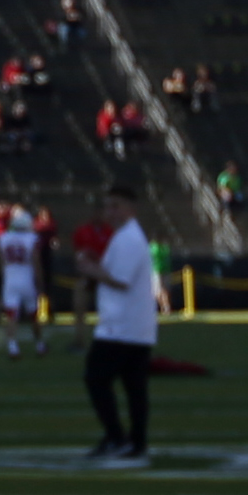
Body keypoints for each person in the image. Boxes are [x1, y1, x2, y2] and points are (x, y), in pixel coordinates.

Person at [81, 180, 157, 463]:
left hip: (120, 327)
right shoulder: (128, 236)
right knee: (134, 388)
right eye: (107, 206)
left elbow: (120, 280)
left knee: (96, 379)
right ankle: (136, 441)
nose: (109, 212)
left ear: (130, 208)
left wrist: (90, 269)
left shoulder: (128, 238)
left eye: (115, 206)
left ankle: (117, 436)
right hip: (134, 326)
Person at [0, 203, 42, 356]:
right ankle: (39, 345)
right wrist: (40, 281)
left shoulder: (4, 238)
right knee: (33, 315)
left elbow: (0, 262)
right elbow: (36, 262)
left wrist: (5, 275)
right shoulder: (31, 239)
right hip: (27, 278)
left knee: (11, 315)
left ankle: (13, 347)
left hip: (10, 279)